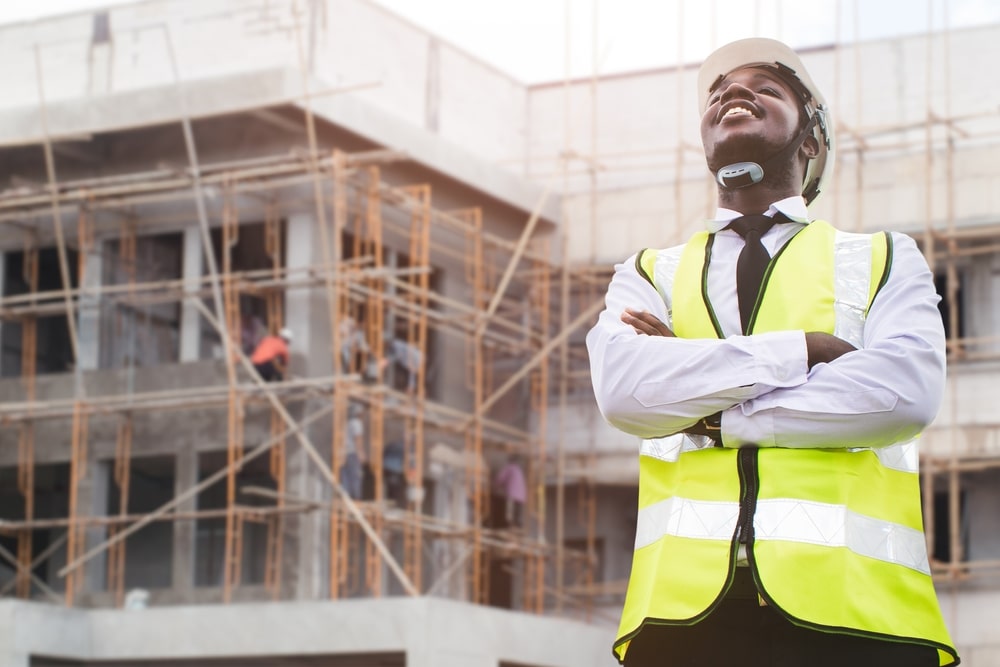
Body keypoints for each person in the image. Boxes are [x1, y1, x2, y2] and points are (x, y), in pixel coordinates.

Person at [586, 38, 959, 667]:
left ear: (810, 140)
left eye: (766, 87)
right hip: (683, 624)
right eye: (720, 90)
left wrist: (711, 406)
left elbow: (902, 393)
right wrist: (804, 349)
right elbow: (627, 392)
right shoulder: (649, 271)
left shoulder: (884, 258)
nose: (734, 92)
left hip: (856, 618)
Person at [339, 402, 366, 500]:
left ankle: (346, 498)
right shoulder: (357, 423)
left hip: (344, 453)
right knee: (356, 477)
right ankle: (356, 500)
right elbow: (358, 439)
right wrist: (361, 454)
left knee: (346, 477)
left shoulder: (347, 423)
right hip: (353, 453)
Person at [493, 454, 526, 528]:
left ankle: (509, 525)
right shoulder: (518, 469)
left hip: (512, 494)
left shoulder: (509, 468)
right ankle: (517, 525)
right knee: (517, 513)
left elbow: (499, 478)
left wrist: (495, 487)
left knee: (509, 512)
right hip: (521, 496)